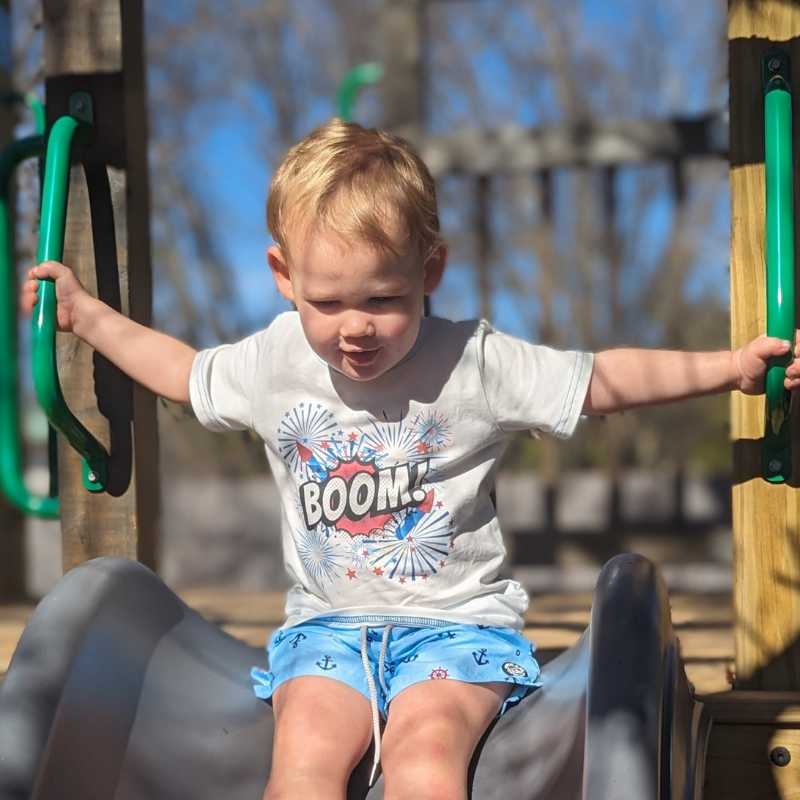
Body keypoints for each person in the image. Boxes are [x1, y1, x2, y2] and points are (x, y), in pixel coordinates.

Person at [21, 118, 800, 800]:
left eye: (383, 299)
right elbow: (182, 374)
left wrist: (728, 367)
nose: (355, 326)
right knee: (301, 765)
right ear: (283, 277)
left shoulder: (472, 362)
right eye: (328, 302)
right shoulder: (273, 360)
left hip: (456, 630)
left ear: (430, 271)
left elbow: (602, 380)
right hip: (326, 631)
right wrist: (87, 318)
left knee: (423, 758)